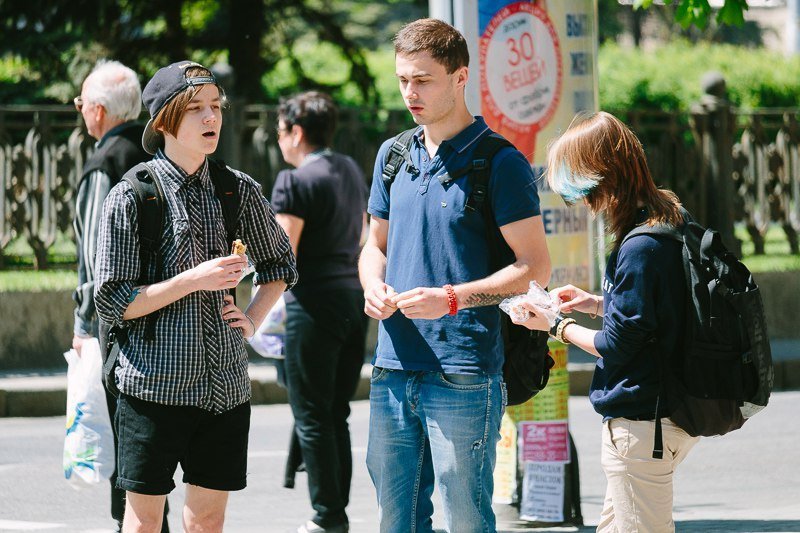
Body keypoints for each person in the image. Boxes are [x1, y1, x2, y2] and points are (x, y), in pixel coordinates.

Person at [359, 18, 551, 533]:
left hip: (464, 368)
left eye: (423, 80)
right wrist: (371, 285)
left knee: (467, 518)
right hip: (392, 365)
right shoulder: (393, 154)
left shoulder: (500, 162)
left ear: (461, 77)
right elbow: (372, 247)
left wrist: (452, 298)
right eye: (402, 80)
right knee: (396, 520)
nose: (409, 93)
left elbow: (535, 266)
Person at [94, 60, 297, 533]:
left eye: (215, 107)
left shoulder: (236, 189)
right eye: (196, 109)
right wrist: (193, 279)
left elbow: (281, 266)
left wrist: (252, 319)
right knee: (144, 523)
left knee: (207, 521)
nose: (211, 119)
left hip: (224, 388)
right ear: (164, 120)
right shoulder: (132, 195)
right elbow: (113, 300)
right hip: (151, 387)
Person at [512, 111, 699, 533]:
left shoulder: (638, 247)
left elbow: (617, 344)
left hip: (641, 424)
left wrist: (554, 324)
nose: (579, 201)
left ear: (601, 175)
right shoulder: (668, 219)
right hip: (665, 413)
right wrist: (595, 302)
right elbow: (653, 312)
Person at [71, 59, 170, 532]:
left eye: (81, 104)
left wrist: (83, 326)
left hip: (121, 320)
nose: (80, 112)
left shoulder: (103, 163)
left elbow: (96, 259)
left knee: (128, 445)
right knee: (156, 448)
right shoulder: (160, 155)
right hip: (168, 314)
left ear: (100, 111)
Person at [270, 91, 369, 533]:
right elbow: (364, 233)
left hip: (312, 304)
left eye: (280, 132)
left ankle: (327, 517)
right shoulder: (349, 169)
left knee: (311, 413)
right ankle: (335, 513)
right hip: (353, 299)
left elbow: (283, 253)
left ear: (296, 132)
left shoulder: (293, 182)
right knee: (336, 413)